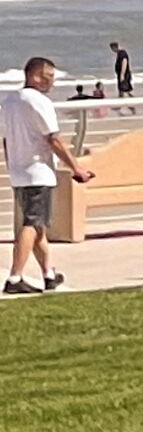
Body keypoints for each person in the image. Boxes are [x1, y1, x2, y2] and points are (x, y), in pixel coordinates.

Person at [2, 58, 90, 294]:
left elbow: (6, 139)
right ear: (34, 76)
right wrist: (76, 168)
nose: (51, 81)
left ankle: (48, 273)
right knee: (31, 224)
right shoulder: (40, 102)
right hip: (37, 172)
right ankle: (14, 277)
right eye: (48, 76)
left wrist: (12, 165)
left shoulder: (10, 101)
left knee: (38, 225)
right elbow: (53, 139)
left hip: (20, 172)